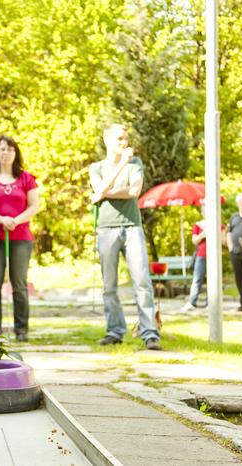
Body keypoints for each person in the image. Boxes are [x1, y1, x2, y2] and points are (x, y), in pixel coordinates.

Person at [89, 124, 161, 350]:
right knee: (109, 285)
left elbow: (133, 192)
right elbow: (99, 187)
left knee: (142, 281)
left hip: (132, 227)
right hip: (107, 229)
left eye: (126, 139)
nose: (124, 142)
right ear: (107, 140)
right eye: (119, 138)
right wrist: (119, 167)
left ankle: (149, 332)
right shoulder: (96, 167)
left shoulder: (135, 163)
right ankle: (115, 331)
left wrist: (103, 195)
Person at [0, 136, 40, 342]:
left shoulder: (26, 178)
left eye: (9, 149)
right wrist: (0, 219)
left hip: (21, 236)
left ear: (15, 153)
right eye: (1, 149)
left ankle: (21, 328)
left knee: (19, 283)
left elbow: (34, 206)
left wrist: (15, 220)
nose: (5, 153)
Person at [181, 205, 225, 311]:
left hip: (214, 256)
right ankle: (192, 302)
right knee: (197, 279)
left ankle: (211, 303)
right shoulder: (198, 225)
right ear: (203, 213)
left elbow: (223, 241)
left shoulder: (219, 225)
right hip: (201, 255)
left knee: (213, 280)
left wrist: (214, 232)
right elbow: (194, 240)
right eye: (205, 211)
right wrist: (203, 234)